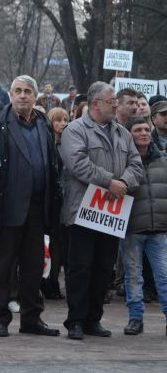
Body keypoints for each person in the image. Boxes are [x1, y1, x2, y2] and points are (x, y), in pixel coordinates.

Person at [59, 81, 143, 340]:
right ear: (95, 104)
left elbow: (136, 164)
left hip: (112, 212)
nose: (116, 105)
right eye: (111, 101)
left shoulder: (122, 132)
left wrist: (125, 183)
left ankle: (93, 319)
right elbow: (77, 164)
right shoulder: (75, 130)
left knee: (103, 268)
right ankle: (75, 320)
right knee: (81, 267)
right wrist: (110, 182)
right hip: (83, 210)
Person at [0, 75, 62, 338]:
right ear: (10, 94)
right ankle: (0, 319)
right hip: (8, 207)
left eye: (27, 91)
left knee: (33, 267)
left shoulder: (43, 123)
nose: (22, 95)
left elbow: (52, 163)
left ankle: (31, 318)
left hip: (37, 208)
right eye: (17, 90)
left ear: (35, 96)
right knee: (2, 269)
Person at [120, 116, 167, 336]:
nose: (144, 133)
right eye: (138, 129)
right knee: (133, 277)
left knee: (164, 277)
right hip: (131, 229)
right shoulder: (123, 162)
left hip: (159, 229)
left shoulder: (164, 160)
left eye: (146, 129)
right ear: (129, 134)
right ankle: (135, 319)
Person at [41, 107, 70, 300]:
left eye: (66, 120)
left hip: (66, 201)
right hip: (49, 201)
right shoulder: (45, 144)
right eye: (58, 120)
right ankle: (45, 282)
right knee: (47, 245)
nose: (63, 124)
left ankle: (53, 283)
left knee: (60, 246)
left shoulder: (70, 144)